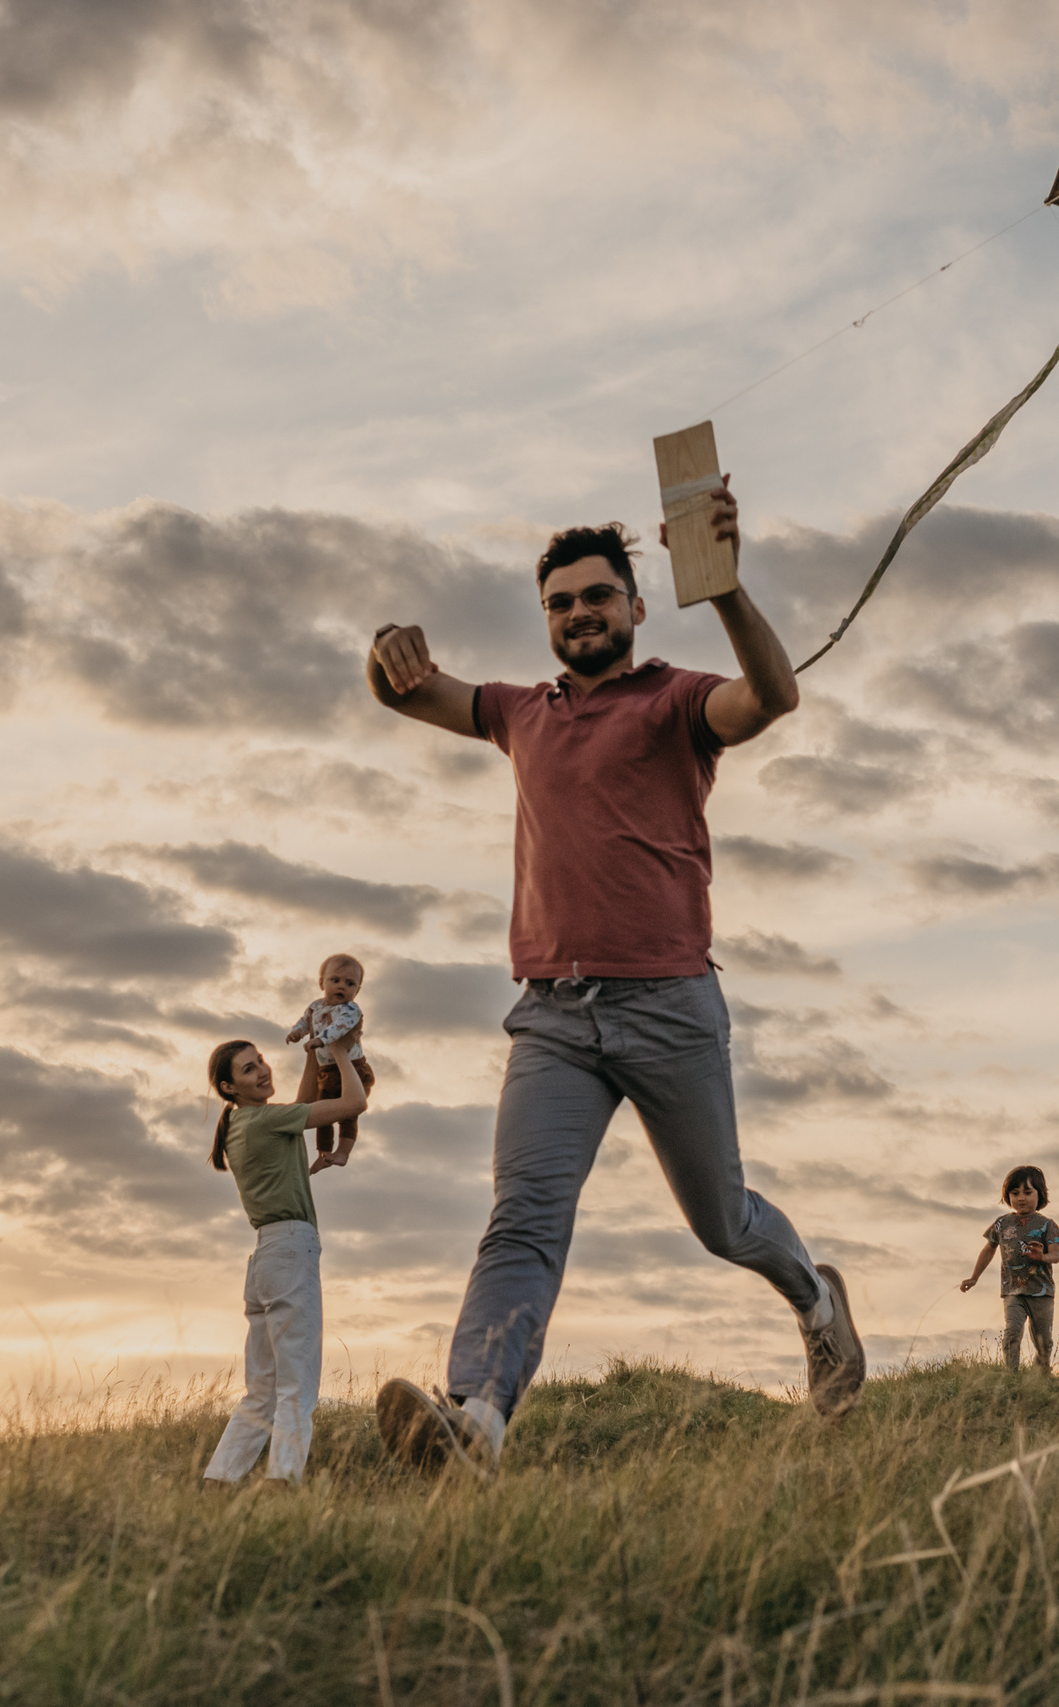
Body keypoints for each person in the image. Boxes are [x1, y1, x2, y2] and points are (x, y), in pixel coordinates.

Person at [363, 479, 865, 1474]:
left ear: (635, 609)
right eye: (559, 603)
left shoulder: (676, 700)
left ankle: (817, 1303)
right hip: (553, 1017)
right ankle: (475, 1422)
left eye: (598, 597)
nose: (578, 614)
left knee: (722, 1222)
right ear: (543, 619)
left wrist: (720, 585)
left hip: (670, 1003)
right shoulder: (518, 713)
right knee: (522, 1222)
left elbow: (770, 694)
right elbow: (406, 690)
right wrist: (386, 650)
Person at [198, 1026, 367, 1490]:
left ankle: (219, 1481)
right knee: (297, 1384)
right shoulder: (268, 1120)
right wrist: (339, 1048)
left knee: (263, 1390)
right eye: (249, 1068)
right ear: (230, 1087)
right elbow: (354, 1104)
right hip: (291, 1248)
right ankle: (283, 1481)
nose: (263, 1069)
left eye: (261, 1060)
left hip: (266, 1258)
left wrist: (313, 1053)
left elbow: (300, 1104)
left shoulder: (240, 1123)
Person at [957, 1165, 1059, 1373]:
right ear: (1008, 1196)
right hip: (1013, 1291)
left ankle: (1040, 1378)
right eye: (1015, 1193)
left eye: (1028, 1192)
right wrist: (974, 1277)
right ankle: (1011, 1377)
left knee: (1044, 1341)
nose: (1021, 1198)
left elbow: (1056, 1255)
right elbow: (988, 1250)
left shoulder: (1047, 1224)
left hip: (1041, 1292)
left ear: (1040, 1194)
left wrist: (1042, 1257)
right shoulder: (1002, 1223)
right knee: (1012, 1333)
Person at [285, 952, 374, 1172]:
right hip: (326, 1072)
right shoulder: (315, 1007)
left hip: (352, 1069)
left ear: (357, 990)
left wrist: (320, 1039)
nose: (342, 987)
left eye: (350, 983)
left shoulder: (351, 1010)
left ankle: (343, 1151)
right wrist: (297, 1033)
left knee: (347, 1113)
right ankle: (324, 1153)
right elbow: (305, 1022)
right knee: (324, 1113)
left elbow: (338, 1029)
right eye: (335, 980)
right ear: (321, 983)